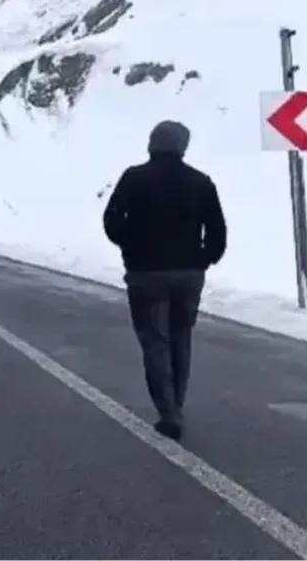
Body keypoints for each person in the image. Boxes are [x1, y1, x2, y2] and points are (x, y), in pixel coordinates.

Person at [102, 120, 226, 441]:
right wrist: (203, 259)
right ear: (182, 146)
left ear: (152, 144)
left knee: (155, 342)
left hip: (146, 274)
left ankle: (168, 412)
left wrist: (130, 245)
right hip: (188, 275)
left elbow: (111, 219)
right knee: (181, 338)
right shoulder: (201, 182)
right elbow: (217, 232)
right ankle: (177, 405)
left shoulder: (134, 178)